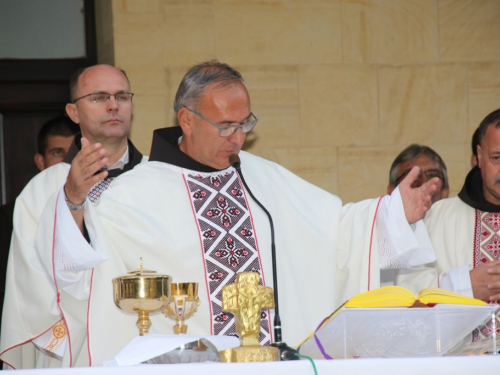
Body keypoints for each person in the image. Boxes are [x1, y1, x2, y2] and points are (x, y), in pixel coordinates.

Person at [33, 61, 437, 367]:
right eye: (225, 125)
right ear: (187, 120)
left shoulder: (265, 179)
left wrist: (394, 213)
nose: (239, 137)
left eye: (245, 124)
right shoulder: (130, 197)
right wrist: (72, 203)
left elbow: (339, 229)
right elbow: (77, 275)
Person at [0, 64, 147, 369]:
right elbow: (31, 277)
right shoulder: (44, 188)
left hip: (149, 340)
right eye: (98, 97)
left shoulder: (157, 177)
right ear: (74, 111)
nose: (113, 105)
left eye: (122, 95)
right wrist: (72, 200)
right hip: (75, 350)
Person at [0, 115, 79, 363]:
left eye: (71, 152)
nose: (66, 161)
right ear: (40, 160)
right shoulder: (10, 214)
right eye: (58, 152)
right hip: (39, 331)